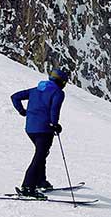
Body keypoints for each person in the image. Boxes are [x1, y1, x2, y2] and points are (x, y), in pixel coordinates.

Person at [10, 68, 69, 199]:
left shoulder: (35, 90)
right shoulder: (58, 93)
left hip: (30, 128)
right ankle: (28, 187)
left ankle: (41, 181)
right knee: (40, 156)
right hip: (44, 129)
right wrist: (55, 124)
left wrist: (22, 111)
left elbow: (15, 97)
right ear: (61, 82)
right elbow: (54, 110)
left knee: (41, 153)